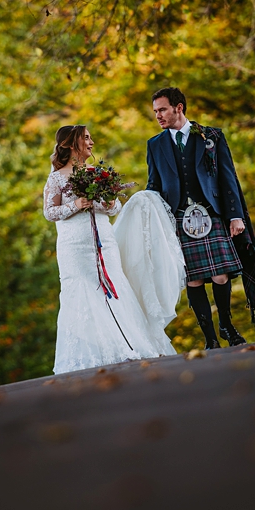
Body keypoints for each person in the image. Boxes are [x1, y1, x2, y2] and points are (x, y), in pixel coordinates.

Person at [146, 87, 255, 348]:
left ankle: (227, 326)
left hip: (212, 213)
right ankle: (210, 339)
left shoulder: (211, 136)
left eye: (162, 109)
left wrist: (236, 216)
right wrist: (152, 218)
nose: (158, 116)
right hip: (179, 218)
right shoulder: (155, 144)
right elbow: (154, 185)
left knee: (220, 275)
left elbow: (227, 177)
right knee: (193, 279)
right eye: (155, 111)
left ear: (178, 107)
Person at [43, 125, 177, 374]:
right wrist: (75, 204)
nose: (91, 142)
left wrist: (109, 202)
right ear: (71, 144)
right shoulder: (57, 177)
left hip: (104, 241)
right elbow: (49, 212)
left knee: (115, 286)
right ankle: (94, 352)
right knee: (83, 290)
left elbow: (112, 209)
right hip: (75, 245)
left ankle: (127, 345)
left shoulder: (97, 173)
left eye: (91, 137)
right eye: (86, 138)